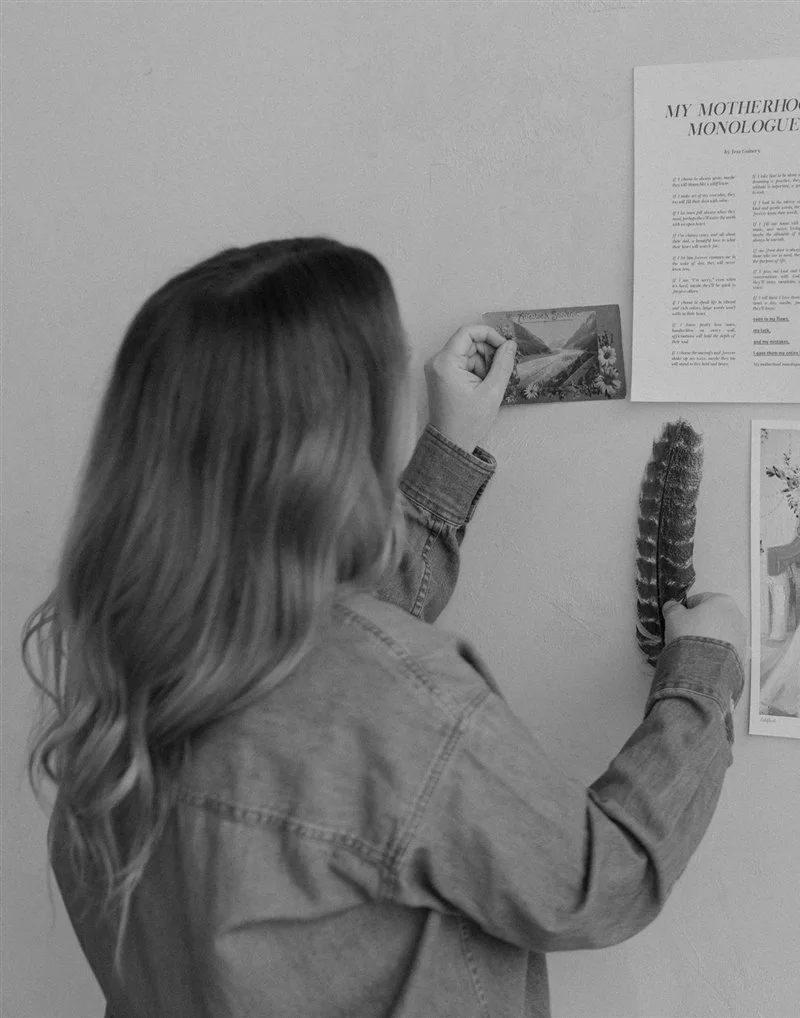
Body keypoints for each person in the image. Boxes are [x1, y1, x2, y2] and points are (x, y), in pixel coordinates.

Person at [25, 238, 747, 1018]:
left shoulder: (116, 658)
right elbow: (604, 880)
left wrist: (447, 453)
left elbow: (322, 674)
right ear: (338, 440)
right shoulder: (394, 695)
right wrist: (704, 669)